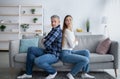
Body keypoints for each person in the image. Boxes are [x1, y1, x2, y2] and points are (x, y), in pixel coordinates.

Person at [17, 15, 62, 79]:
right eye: (52, 21)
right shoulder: (53, 30)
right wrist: (45, 40)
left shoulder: (57, 31)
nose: (53, 23)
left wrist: (45, 41)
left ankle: (53, 72)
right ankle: (28, 73)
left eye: (55, 21)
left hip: (53, 55)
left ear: (59, 22)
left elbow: (46, 42)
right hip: (47, 51)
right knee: (31, 49)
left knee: (37, 61)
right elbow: (44, 39)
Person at [60, 15, 95, 79]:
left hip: (70, 51)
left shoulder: (71, 31)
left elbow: (75, 42)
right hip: (65, 54)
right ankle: (71, 74)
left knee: (86, 52)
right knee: (86, 60)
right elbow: (73, 45)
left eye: (70, 20)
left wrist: (75, 41)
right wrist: (75, 41)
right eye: (67, 20)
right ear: (65, 22)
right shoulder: (67, 31)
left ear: (72, 21)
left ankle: (84, 73)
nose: (69, 21)